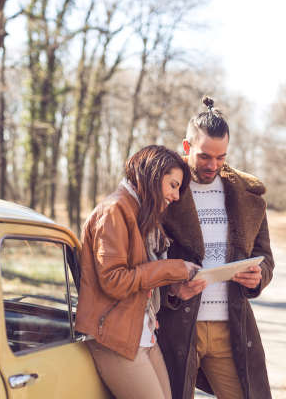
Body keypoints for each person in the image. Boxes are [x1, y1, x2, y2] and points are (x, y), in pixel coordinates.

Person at [157, 96, 275, 399]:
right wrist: (170, 291)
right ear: (186, 148)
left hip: (231, 327)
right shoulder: (163, 192)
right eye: (205, 157)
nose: (213, 165)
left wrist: (258, 276)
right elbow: (143, 259)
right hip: (178, 326)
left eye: (221, 157)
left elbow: (266, 260)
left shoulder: (248, 196)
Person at [75, 145, 201, 399]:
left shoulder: (142, 215)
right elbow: (114, 281)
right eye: (173, 185)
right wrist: (175, 268)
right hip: (113, 337)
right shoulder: (114, 211)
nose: (176, 196)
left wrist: (175, 287)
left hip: (141, 332)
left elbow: (141, 279)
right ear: (153, 176)